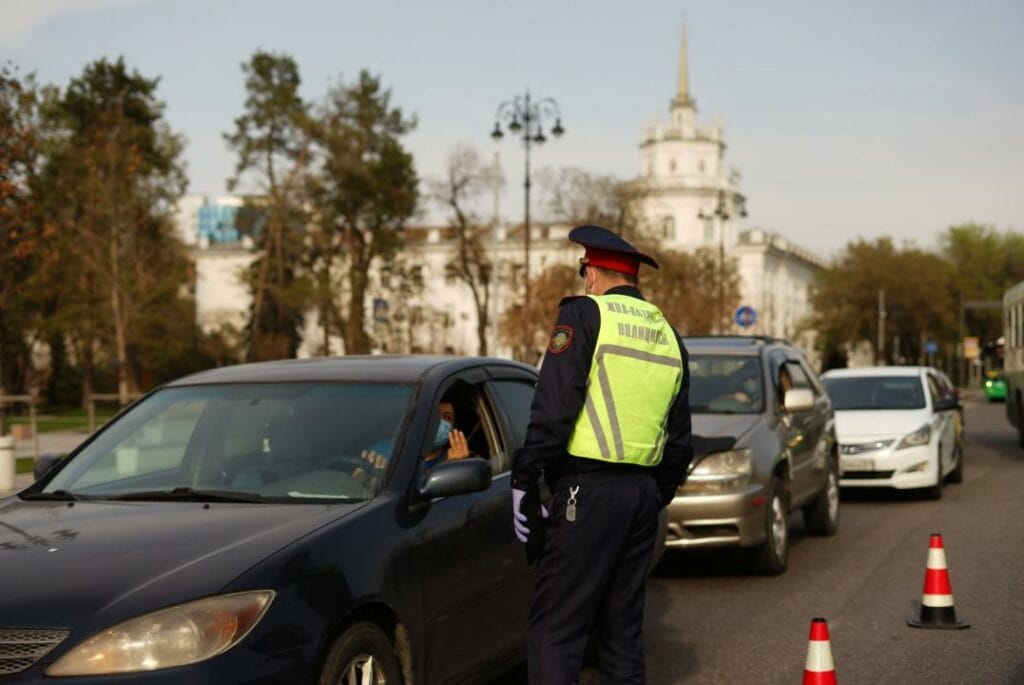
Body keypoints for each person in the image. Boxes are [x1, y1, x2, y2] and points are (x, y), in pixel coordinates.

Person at [511, 224, 693, 684]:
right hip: (640, 499)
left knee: (557, 631)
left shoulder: (584, 316)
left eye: (583, 271)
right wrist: (656, 494)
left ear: (591, 272)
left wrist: (525, 477)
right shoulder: (669, 335)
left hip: (585, 496)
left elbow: (554, 409)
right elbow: (680, 439)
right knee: (622, 635)